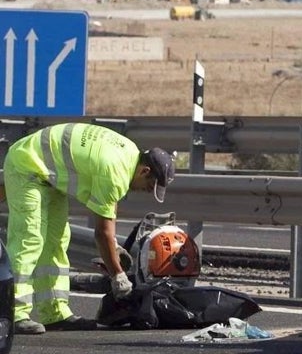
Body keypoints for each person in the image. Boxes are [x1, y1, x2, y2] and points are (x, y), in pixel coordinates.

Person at [2, 123, 175, 334]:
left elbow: (108, 211)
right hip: (27, 166)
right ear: (145, 170)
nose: (147, 192)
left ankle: (54, 313)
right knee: (29, 239)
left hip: (49, 175)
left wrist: (113, 246)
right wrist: (118, 277)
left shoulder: (129, 155)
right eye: (149, 186)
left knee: (56, 241)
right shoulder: (115, 171)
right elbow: (102, 233)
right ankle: (13, 312)